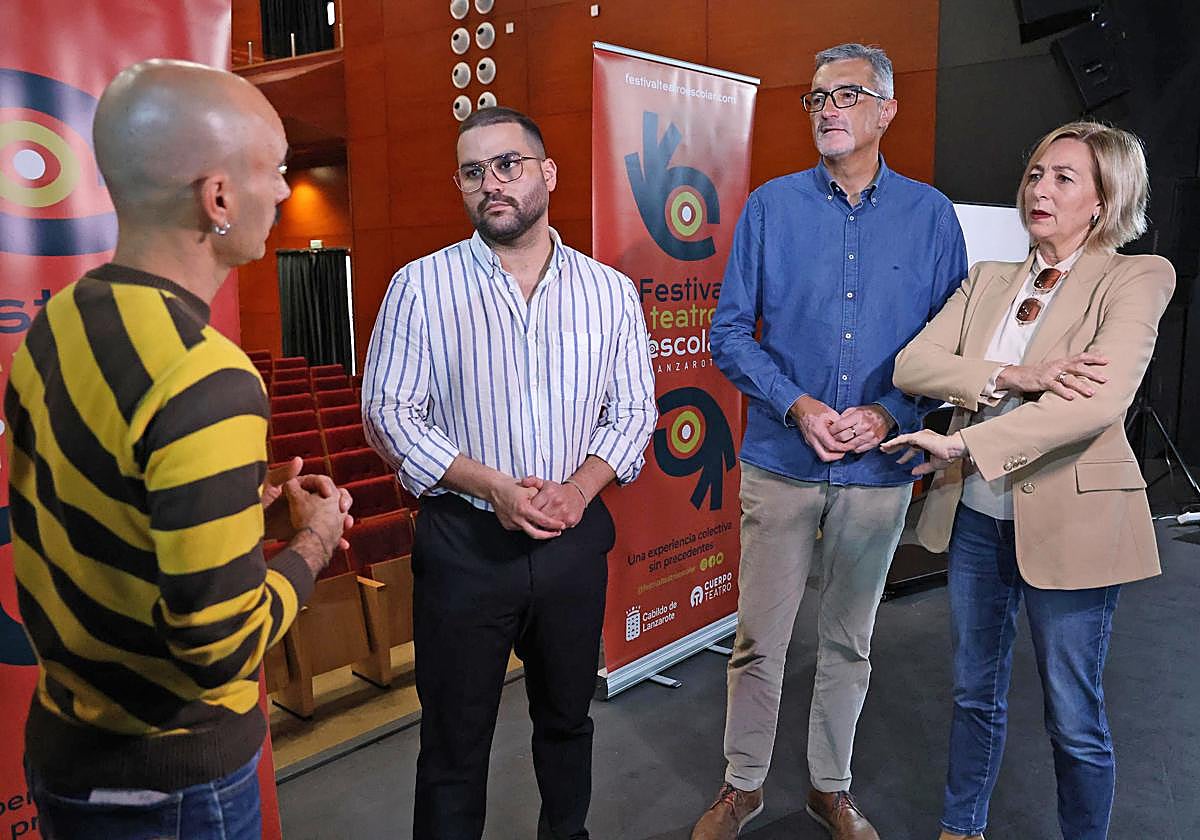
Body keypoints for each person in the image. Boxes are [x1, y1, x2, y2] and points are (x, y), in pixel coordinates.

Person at [5, 60, 353, 840]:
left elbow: (104, 505)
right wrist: (312, 542)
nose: (285, 192)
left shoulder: (57, 322)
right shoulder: (207, 376)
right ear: (218, 196)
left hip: (66, 747)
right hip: (166, 784)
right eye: (277, 170)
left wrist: (232, 509)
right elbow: (223, 649)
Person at [693, 43, 968, 840]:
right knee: (759, 642)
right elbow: (730, 335)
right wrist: (795, 403)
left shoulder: (931, 216)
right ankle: (741, 786)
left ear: (886, 110)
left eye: (846, 94)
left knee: (850, 640)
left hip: (879, 471)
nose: (826, 109)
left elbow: (947, 342)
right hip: (780, 462)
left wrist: (888, 410)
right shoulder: (771, 207)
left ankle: (829, 788)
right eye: (814, 98)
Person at [361, 105, 656, 839]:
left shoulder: (609, 292)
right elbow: (389, 413)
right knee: (454, 745)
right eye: (473, 172)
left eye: (507, 165)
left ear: (547, 174)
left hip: (571, 543)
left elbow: (633, 415)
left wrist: (580, 489)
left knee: (567, 723)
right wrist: (489, 486)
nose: (491, 183)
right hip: (465, 548)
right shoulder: (420, 287)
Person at [882, 121, 1174, 840]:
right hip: (978, 520)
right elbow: (912, 365)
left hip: (1073, 524)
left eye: (1064, 178)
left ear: (1103, 203)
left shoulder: (1137, 276)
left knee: (1073, 716)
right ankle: (962, 827)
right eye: (1036, 173)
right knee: (973, 694)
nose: (1039, 188)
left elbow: (1097, 402)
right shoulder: (988, 279)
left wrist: (964, 445)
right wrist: (1013, 376)